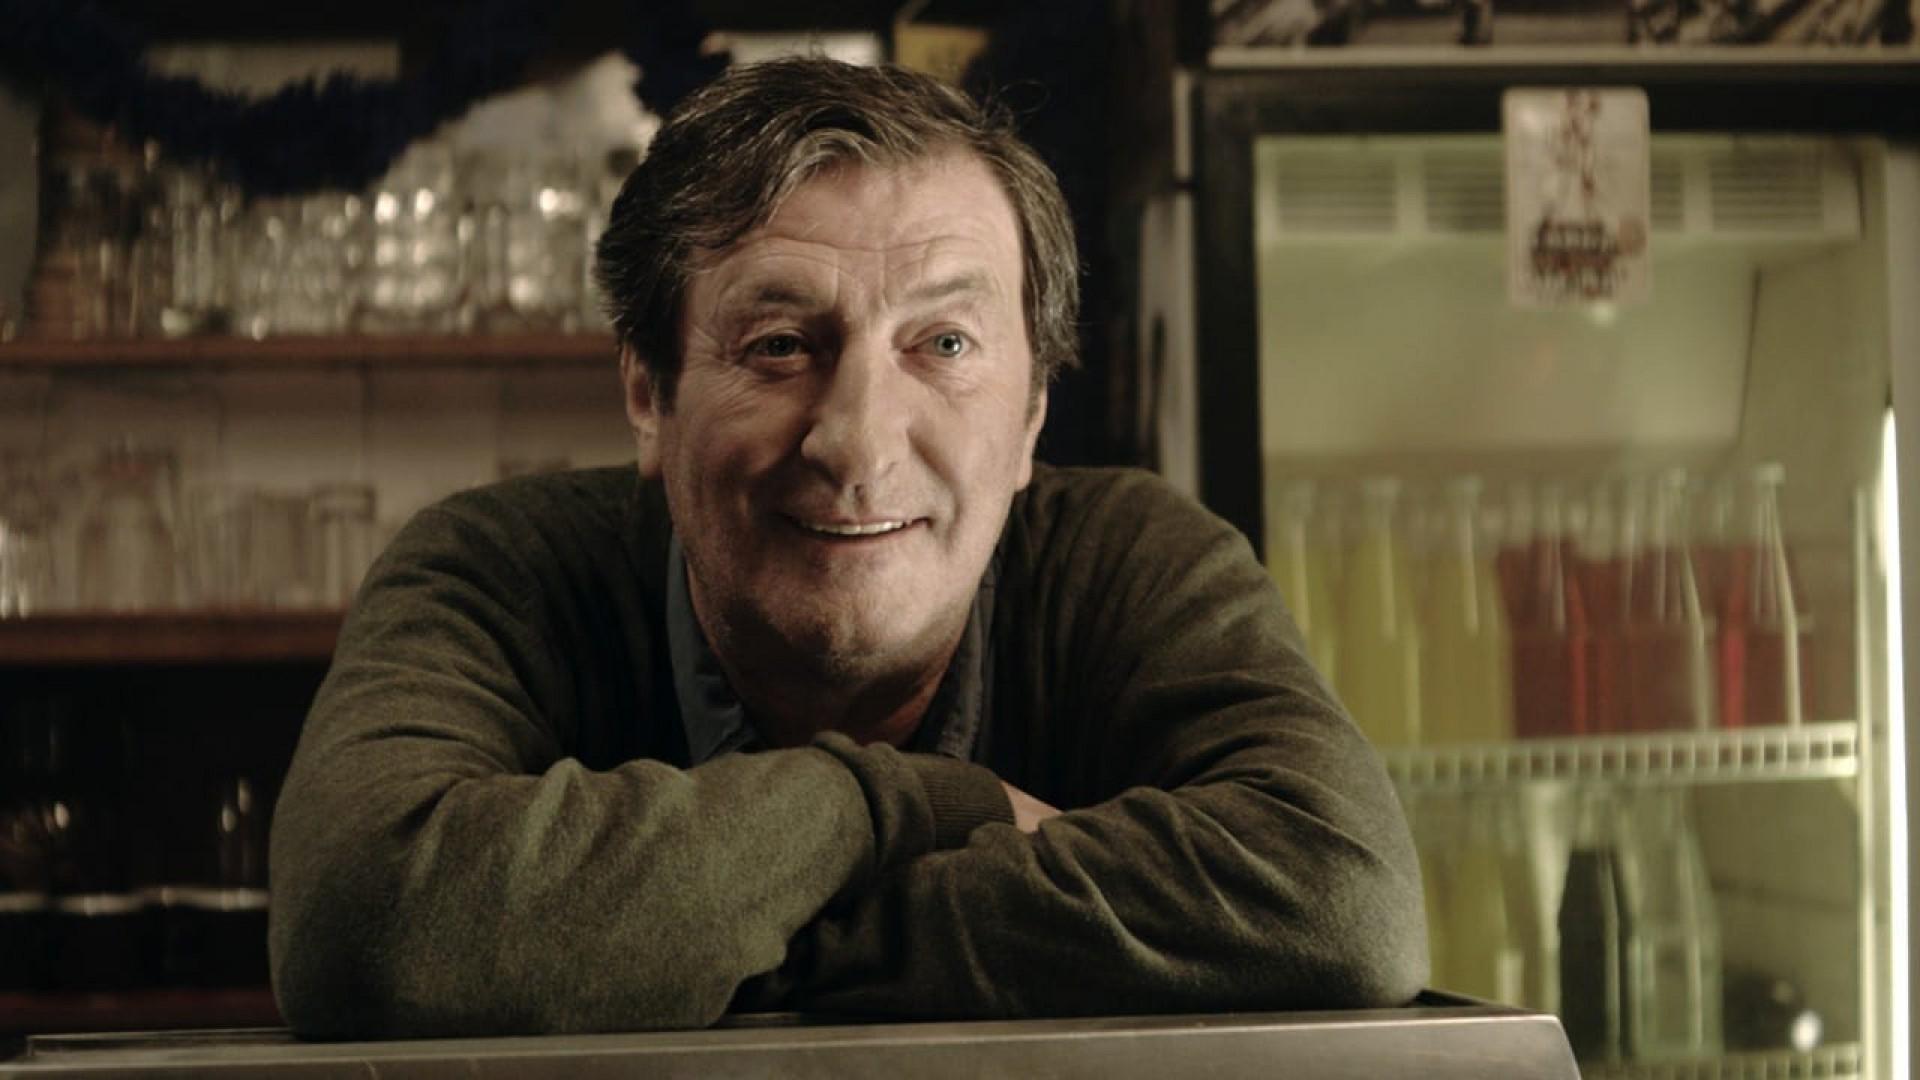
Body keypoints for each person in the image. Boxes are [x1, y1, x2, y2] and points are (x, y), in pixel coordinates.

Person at [267, 55, 1427, 1039]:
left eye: (946, 343)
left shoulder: (1131, 560)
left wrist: (686, 943)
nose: (859, 444)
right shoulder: (495, 569)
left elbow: (1341, 904)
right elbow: (366, 926)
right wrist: (918, 806)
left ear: (1032, 415)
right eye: (779, 344)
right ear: (649, 397)